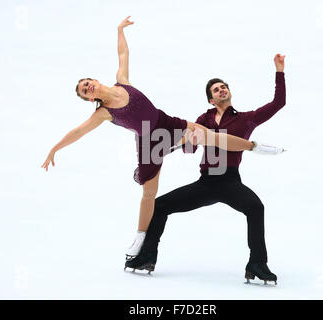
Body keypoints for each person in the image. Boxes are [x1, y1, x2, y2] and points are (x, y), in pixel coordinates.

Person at [41, 17, 258, 259]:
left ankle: (253, 146)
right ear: (90, 99)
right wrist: (55, 149)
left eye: (87, 83)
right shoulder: (103, 113)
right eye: (84, 91)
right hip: (148, 143)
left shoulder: (122, 81)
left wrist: (119, 30)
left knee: (208, 135)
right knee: (149, 192)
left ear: (95, 80)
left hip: (164, 122)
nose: (87, 87)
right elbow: (78, 131)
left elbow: (123, 53)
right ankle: (141, 237)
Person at [125, 54, 287, 285]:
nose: (221, 90)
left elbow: (277, 104)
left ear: (229, 92)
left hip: (230, 182)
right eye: (216, 90)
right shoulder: (204, 119)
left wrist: (279, 72)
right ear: (211, 100)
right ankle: (146, 258)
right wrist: (180, 143)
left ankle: (257, 264)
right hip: (206, 182)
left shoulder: (246, 119)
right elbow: (189, 147)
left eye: (224, 87)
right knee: (159, 205)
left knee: (255, 207)